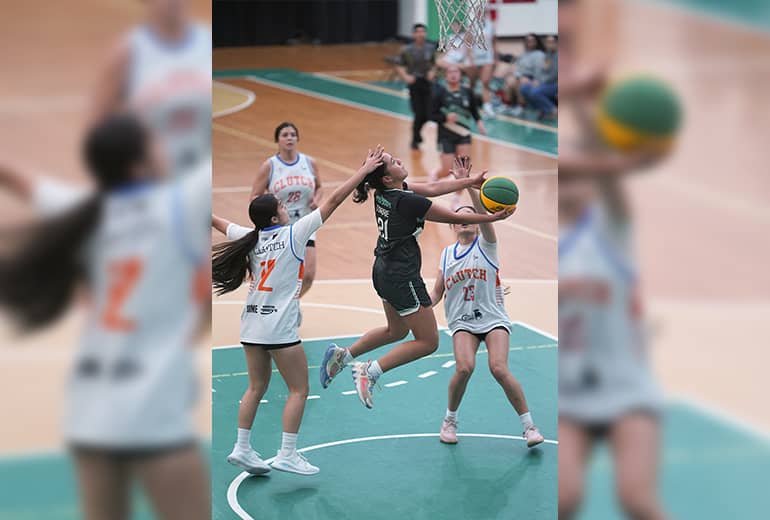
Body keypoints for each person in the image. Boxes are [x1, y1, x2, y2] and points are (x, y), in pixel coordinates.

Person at [0, 114, 210, 520]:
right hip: (152, 413)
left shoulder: (83, 210)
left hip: (90, 414)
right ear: (139, 164)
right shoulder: (176, 207)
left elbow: (14, 177)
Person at [558, 2, 669, 518]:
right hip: (572, 396)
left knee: (636, 497)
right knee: (563, 497)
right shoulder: (558, 250)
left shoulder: (611, 231)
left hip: (626, 390)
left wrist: (582, 100)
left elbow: (601, 164)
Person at [211, 146, 385, 475]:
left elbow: (219, 222)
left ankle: (242, 447)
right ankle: (287, 453)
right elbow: (333, 201)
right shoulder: (294, 233)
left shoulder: (249, 237)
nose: (287, 207)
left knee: (254, 387)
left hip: (251, 325)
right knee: (298, 389)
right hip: (279, 329)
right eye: (281, 205)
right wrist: (363, 171)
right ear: (276, 216)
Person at [319, 151, 514, 409]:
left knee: (396, 330)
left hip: (383, 269)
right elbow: (455, 218)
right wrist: (492, 217)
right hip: (402, 275)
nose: (399, 160)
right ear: (388, 178)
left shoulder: (387, 193)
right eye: (392, 162)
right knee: (428, 342)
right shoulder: (407, 202)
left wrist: (468, 181)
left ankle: (343, 356)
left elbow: (433, 187)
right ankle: (370, 370)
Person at [428, 157, 544, 448]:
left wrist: (469, 189)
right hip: (463, 322)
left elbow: (484, 217)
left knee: (498, 368)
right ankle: (450, 420)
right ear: (454, 224)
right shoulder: (445, 255)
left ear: (479, 224)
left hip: (492, 318)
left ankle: (529, 427)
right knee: (464, 367)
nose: (466, 217)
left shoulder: (487, 245)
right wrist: (416, 306)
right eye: (460, 215)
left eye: (472, 215)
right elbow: (436, 294)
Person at [90, 0, 211, 175]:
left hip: (199, 176)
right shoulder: (128, 51)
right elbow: (99, 127)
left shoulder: (205, 41)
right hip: (151, 182)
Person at [249, 122, 321, 297]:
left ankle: (292, 303)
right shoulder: (270, 166)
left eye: (293, 135)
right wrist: (273, 209)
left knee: (309, 275)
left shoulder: (309, 162)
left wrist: (316, 200)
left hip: (304, 222)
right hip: (280, 227)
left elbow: (319, 187)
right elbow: (255, 197)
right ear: (277, 140)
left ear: (297, 138)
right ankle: (278, 304)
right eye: (285, 135)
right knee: (280, 274)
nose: (289, 138)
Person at [430, 64, 486, 185]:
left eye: (456, 72)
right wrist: (445, 117)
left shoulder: (467, 92)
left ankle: (457, 198)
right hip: (446, 135)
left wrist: (479, 123)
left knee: (463, 170)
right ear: (446, 76)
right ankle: (435, 175)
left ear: (460, 75)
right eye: (450, 72)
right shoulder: (440, 93)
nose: (453, 74)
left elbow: (474, 110)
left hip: (464, 134)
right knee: (446, 170)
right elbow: (431, 115)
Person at [396, 23, 438, 150]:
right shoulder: (407, 50)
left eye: (423, 32)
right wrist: (406, 77)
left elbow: (435, 63)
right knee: (418, 112)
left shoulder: (430, 48)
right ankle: (415, 138)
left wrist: (433, 72)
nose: (420, 34)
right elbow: (399, 65)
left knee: (429, 113)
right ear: (414, 34)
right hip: (414, 83)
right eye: (418, 32)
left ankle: (417, 136)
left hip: (427, 82)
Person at [466, 7, 498, 118]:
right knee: (472, 83)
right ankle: (468, 104)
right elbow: (468, 45)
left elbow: (494, 43)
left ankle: (487, 107)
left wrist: (495, 58)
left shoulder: (490, 26)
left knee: (485, 82)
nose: (481, 14)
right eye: (479, 12)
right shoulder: (471, 27)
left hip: (487, 58)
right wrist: (471, 60)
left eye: (483, 12)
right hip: (475, 59)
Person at [504, 33, 545, 116]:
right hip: (520, 76)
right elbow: (518, 67)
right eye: (528, 41)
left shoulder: (539, 54)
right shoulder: (523, 54)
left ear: (536, 42)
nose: (530, 42)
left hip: (532, 78)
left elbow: (539, 70)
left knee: (519, 82)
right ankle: (507, 105)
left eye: (532, 41)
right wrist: (514, 73)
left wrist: (535, 80)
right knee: (509, 80)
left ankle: (521, 106)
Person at [520, 35, 558, 121]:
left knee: (535, 92)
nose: (550, 44)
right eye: (548, 42)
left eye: (552, 42)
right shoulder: (547, 55)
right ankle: (542, 109)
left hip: (555, 83)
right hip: (545, 82)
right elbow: (542, 71)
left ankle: (552, 110)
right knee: (524, 88)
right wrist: (535, 80)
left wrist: (540, 82)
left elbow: (554, 75)